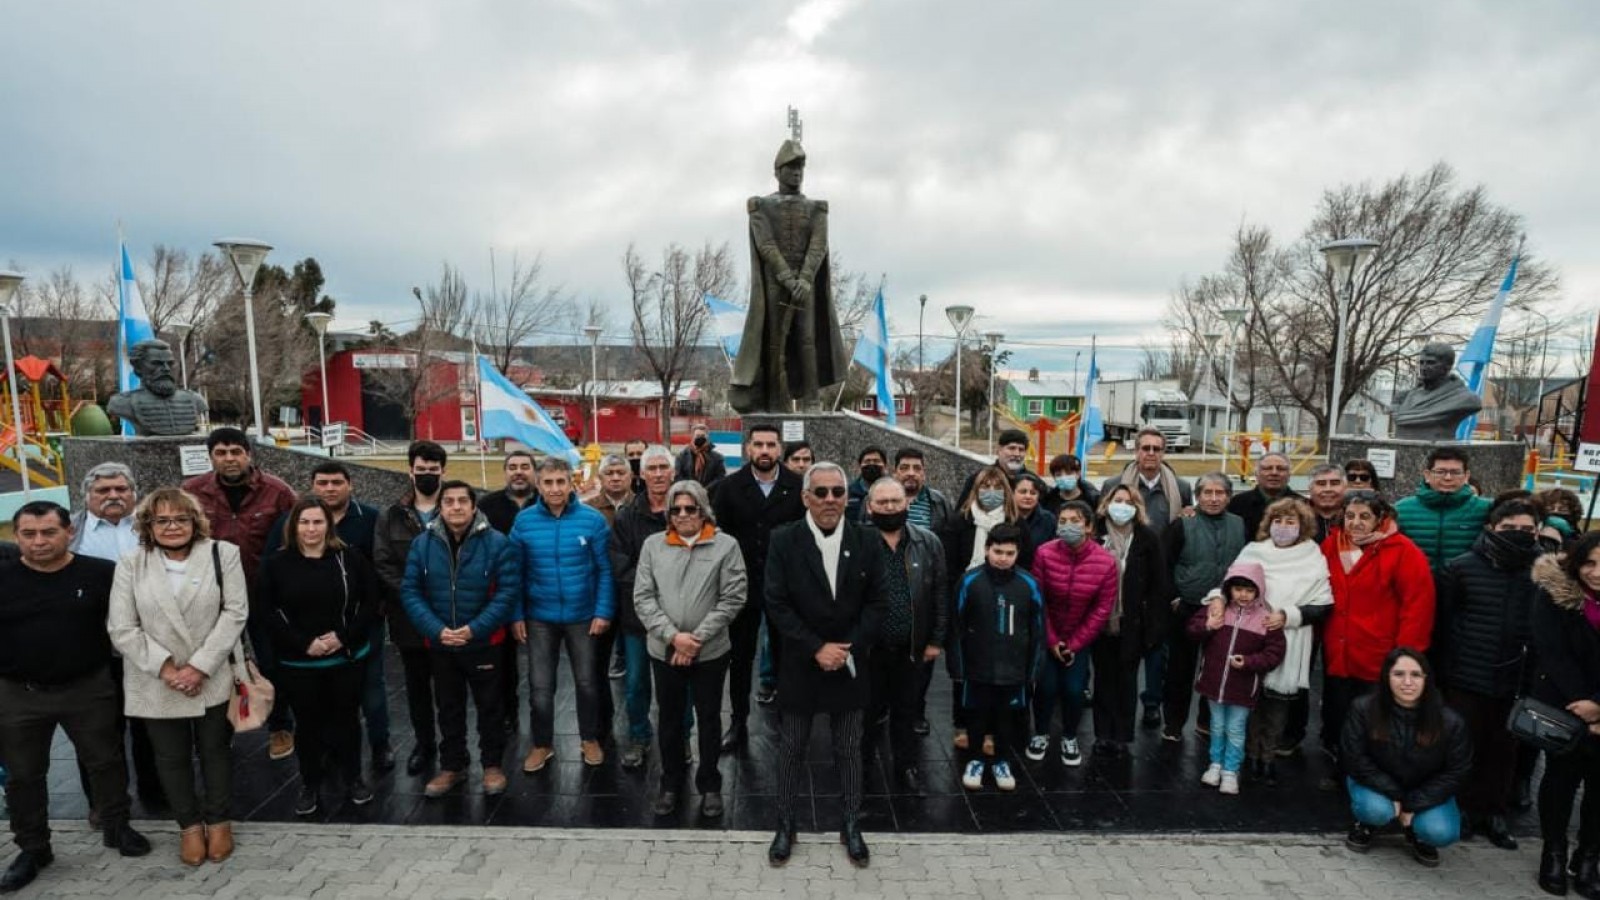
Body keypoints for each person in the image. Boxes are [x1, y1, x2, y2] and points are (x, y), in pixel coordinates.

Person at [1, 502, 151, 893]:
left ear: (69, 532)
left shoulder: (102, 573)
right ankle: (33, 848)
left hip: (88, 687)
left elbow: (130, 623)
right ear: (16, 536)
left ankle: (117, 827)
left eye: (48, 532)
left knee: (106, 762)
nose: (38, 541)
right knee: (23, 776)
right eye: (28, 534)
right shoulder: (3, 577)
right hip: (19, 694)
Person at [110, 487, 248, 863]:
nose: (172, 526)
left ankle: (219, 822)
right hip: (156, 677)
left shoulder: (223, 553)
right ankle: (188, 825)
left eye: (180, 518)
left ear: (195, 521)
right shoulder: (131, 563)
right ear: (148, 525)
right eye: (162, 520)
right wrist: (168, 670)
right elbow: (122, 627)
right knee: (170, 757)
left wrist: (199, 666)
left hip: (211, 672)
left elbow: (235, 612)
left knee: (215, 752)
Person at [764, 462, 885, 868]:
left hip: (849, 663)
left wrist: (847, 648)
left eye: (838, 492)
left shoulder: (867, 539)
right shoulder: (784, 540)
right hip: (802, 662)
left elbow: (877, 602)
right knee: (792, 748)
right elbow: (776, 603)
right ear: (805, 497)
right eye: (821, 492)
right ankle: (786, 823)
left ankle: (851, 823)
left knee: (849, 748)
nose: (830, 499)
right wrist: (816, 647)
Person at [263, 461, 393, 774]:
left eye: (337, 482)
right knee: (314, 707)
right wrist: (301, 640)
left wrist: (351, 630)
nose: (330, 488)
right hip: (303, 640)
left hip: (357, 629)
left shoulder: (371, 519)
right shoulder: (285, 527)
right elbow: (269, 592)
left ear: (350, 484)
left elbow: (379, 569)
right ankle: (325, 757)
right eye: (322, 483)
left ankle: (379, 746)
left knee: (370, 691)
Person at [257, 496, 381, 816]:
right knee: (308, 724)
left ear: (329, 525)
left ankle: (353, 778)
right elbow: (267, 612)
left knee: (347, 721)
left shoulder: (349, 558)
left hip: (345, 658)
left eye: (317, 522)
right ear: (293, 526)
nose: (311, 529)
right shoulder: (275, 564)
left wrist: (342, 637)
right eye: (304, 522)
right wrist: (304, 644)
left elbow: (370, 603)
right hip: (299, 662)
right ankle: (310, 782)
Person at [632, 480, 747, 817]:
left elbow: (733, 597)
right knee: (669, 719)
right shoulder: (653, 546)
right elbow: (643, 597)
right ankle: (670, 783)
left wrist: (695, 639)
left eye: (690, 508)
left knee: (709, 718)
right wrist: (674, 638)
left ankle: (709, 785)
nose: (683, 514)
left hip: (710, 652)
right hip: (664, 650)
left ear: (703, 511)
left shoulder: (726, 546)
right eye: (676, 509)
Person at [182, 426, 298, 760]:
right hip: (211, 597)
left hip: (263, 596)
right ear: (211, 457)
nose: (229, 459)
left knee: (272, 663)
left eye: (236, 452)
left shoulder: (277, 492)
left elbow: (294, 540)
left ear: (248, 454)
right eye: (221, 453)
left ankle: (280, 726)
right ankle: (219, 730)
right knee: (214, 664)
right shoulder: (192, 492)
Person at [1432, 498, 1541, 850]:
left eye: (1526, 529)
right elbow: (1443, 625)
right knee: (1465, 745)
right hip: (1466, 676)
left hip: (1516, 679)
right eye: (1509, 528)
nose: (1518, 534)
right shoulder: (1461, 568)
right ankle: (1462, 808)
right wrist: (1443, 674)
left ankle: (1494, 812)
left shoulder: (1544, 573)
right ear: (1492, 528)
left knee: (1505, 749)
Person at [400, 481, 519, 799]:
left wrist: (475, 629)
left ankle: (492, 765)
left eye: (462, 501)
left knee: (490, 708)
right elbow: (410, 591)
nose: (455, 507)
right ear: (440, 507)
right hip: (441, 643)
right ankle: (453, 765)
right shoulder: (422, 544)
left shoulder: (497, 543)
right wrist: (435, 629)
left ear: (473, 506)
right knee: (448, 707)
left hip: (483, 641)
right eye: (448, 501)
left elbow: (507, 593)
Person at [1209, 498, 1332, 784]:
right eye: (1278, 521)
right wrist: (1217, 599)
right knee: (1249, 699)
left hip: (1290, 636)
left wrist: (1288, 615)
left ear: (1302, 526)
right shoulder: (1254, 551)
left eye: (1290, 522)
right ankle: (1249, 754)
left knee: (1277, 705)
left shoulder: (1312, 555)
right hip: (1250, 635)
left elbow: (1323, 604)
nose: (1283, 527)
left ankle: (1268, 757)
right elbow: (1230, 583)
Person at [67, 462, 164, 814]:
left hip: (149, 646)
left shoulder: (155, 526)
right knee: (97, 733)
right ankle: (105, 805)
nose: (113, 496)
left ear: (134, 493)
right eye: (103, 490)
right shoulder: (70, 531)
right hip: (94, 649)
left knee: (151, 729)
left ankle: (157, 796)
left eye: (121, 489)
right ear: (87, 496)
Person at [1320, 492, 1435, 787]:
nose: (1356, 523)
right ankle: (1342, 769)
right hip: (1339, 651)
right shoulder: (1331, 545)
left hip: (1379, 653)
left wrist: (1407, 655)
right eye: (1350, 516)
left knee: (1375, 720)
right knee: (1339, 715)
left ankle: (1371, 777)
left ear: (1380, 518)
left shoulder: (1402, 550)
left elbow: (1417, 605)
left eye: (1364, 516)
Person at [728, 138, 848, 413]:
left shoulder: (817, 209)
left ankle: (811, 401)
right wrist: (787, 278)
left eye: (800, 168)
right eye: (791, 167)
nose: (797, 173)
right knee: (774, 343)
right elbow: (766, 244)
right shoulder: (761, 206)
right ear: (777, 171)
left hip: (805, 283)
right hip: (775, 283)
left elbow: (818, 245)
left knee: (807, 340)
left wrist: (804, 279)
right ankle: (776, 401)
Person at [511, 456, 615, 770]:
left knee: (587, 682)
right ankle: (542, 744)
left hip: (583, 616)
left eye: (561, 481)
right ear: (538, 485)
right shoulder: (524, 522)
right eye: (548, 482)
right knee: (540, 686)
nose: (555, 488)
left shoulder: (592, 520)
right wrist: (516, 615)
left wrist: (603, 611)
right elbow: (514, 573)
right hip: (539, 617)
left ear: (571, 483)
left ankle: (589, 738)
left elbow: (605, 570)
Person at [712, 425, 805, 747]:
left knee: (786, 656)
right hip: (742, 586)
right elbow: (718, 536)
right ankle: (738, 722)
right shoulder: (729, 487)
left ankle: (788, 720)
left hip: (786, 587)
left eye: (770, 444)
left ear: (779, 449)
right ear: (748, 448)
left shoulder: (798, 486)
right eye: (758, 444)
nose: (764, 451)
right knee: (741, 658)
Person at [1341, 648, 1471, 868]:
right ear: (1386, 677)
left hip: (1425, 789)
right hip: (1375, 784)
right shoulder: (1363, 708)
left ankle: (1419, 833)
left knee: (1441, 832)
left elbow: (1457, 771)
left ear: (1427, 679)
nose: (1408, 682)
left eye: (1416, 675)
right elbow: (1353, 757)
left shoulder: (1450, 722)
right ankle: (1367, 824)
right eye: (1399, 674)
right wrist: (1396, 795)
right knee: (1376, 810)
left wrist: (1411, 804)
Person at [862, 477, 948, 792]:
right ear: (869, 507)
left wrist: (936, 639)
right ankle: (862, 770)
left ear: (907, 503)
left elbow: (940, 593)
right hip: (868, 649)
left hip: (912, 647)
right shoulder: (855, 542)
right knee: (865, 714)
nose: (889, 507)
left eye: (895, 501)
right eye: (882, 502)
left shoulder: (929, 542)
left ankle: (906, 767)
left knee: (906, 712)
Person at [1529, 531, 1600, 896]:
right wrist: (1585, 707)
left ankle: (1589, 856)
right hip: (1565, 705)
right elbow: (1552, 653)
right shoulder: (1554, 594)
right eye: (1590, 563)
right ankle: (1553, 851)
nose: (1597, 573)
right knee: (1560, 781)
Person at [373, 440, 449, 776]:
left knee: (449, 687)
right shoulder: (391, 515)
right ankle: (424, 744)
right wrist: (414, 594)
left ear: (443, 471)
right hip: (409, 616)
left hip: (449, 614)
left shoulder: (457, 506)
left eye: (433, 470)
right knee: (417, 687)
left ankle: (453, 746)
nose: (427, 475)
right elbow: (383, 562)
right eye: (421, 470)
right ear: (410, 471)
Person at [1026, 500, 1117, 768]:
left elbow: (1102, 609)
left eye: (1075, 521)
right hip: (1048, 634)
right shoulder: (1044, 553)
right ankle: (1041, 733)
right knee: (1045, 687)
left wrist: (1074, 644)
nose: (1068, 526)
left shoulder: (1105, 562)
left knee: (1075, 690)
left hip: (1079, 637)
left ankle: (1069, 736)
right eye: (1063, 521)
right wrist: (1052, 640)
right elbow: (1037, 599)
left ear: (1089, 526)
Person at [952, 524, 1042, 793]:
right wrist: (957, 666)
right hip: (978, 666)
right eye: (998, 551)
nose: (1003, 558)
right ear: (986, 549)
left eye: (1009, 553)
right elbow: (956, 627)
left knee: (1007, 718)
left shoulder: (1029, 584)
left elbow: (1038, 628)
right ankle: (975, 761)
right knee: (977, 715)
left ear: (1018, 553)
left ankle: (1002, 761)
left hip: (1014, 668)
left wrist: (1033, 670)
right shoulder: (969, 581)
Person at [1159, 472, 1248, 741]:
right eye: (1207, 492)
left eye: (1220, 493)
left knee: (1216, 667)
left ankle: (1206, 721)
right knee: (1180, 669)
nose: (1213, 498)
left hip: (1225, 607)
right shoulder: (1183, 524)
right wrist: (1173, 597)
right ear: (1197, 496)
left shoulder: (1239, 524)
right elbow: (1164, 563)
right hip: (1187, 605)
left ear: (1229, 497)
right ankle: (1173, 723)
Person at [945, 465, 1028, 752]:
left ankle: (993, 730)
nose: (991, 492)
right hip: (968, 600)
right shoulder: (959, 521)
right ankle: (964, 724)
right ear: (975, 491)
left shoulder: (1016, 523)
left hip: (1005, 600)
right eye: (985, 487)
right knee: (966, 667)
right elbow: (949, 565)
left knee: (998, 670)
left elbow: (1024, 563)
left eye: (997, 487)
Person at [1187, 562, 1286, 795]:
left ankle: (1231, 770)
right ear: (1228, 589)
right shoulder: (1217, 610)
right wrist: (1208, 625)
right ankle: (1215, 764)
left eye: (1249, 590)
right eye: (1238, 589)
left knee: (1235, 728)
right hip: (1213, 683)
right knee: (1217, 725)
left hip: (1243, 688)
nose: (1243, 595)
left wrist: (1249, 662)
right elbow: (1192, 630)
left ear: (1259, 591)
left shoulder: (1265, 619)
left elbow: (1274, 653)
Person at [608, 444, 676, 768]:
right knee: (636, 684)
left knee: (678, 686)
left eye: (664, 467)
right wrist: (659, 584)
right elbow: (620, 565)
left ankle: (679, 738)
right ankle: (639, 736)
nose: (659, 474)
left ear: (673, 472)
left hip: (679, 618)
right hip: (638, 618)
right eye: (653, 468)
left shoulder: (688, 510)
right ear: (642, 474)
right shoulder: (627, 517)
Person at [1092, 485, 1171, 756]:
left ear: (1137, 508)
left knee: (1126, 680)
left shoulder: (1148, 537)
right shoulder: (1095, 534)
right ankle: (1102, 733)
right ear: (1107, 503)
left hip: (1133, 623)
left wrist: (1154, 627)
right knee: (1103, 680)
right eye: (1118, 500)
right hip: (1100, 622)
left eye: (1129, 502)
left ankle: (1122, 735)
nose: (1122, 506)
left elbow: (1159, 584)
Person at [478, 450, 538, 728]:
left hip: (539, 592)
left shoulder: (546, 502)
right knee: (503, 661)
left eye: (525, 466)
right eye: (512, 467)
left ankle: (541, 717)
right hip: (499, 594)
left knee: (542, 663)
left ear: (534, 471)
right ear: (505, 472)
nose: (519, 472)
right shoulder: (487, 506)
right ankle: (508, 714)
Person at [1395, 447, 1492, 572]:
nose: (1448, 478)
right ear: (1427, 475)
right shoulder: (1402, 509)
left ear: (1466, 476)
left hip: (1466, 581)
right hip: (1417, 580)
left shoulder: (1485, 508)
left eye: (1455, 472)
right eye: (1440, 472)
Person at [1099, 426, 1194, 532]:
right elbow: (1101, 526)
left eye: (1156, 449)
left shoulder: (1182, 488)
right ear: (1136, 451)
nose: (1151, 453)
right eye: (1146, 448)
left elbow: (1188, 527)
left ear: (1163, 453)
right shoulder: (1113, 486)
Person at [104, 338, 207, 435]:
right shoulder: (121, 402)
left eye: (170, 363)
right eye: (156, 363)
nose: (166, 368)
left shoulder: (196, 400)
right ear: (138, 367)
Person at [1389, 341, 1484, 440]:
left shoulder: (1466, 398)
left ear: (1447, 366)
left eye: (1431, 363)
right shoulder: (1406, 397)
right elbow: (1397, 415)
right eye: (1421, 362)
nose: (1424, 368)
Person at [1227, 452, 1300, 538]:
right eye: (1267, 468)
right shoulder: (1237, 504)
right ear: (1256, 474)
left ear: (1289, 474)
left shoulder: (1303, 505)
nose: (1274, 473)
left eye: (1281, 469)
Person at [895, 447, 954, 536]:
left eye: (917, 468)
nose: (911, 473)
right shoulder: (881, 499)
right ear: (895, 472)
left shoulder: (939, 502)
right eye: (904, 468)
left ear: (924, 474)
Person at [586, 454, 635, 527]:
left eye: (621, 473)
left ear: (631, 476)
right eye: (609, 473)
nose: (615, 478)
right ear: (600, 478)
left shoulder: (642, 505)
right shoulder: (588, 508)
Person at [674, 422, 727, 488]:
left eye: (702, 436)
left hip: (710, 492)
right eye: (698, 436)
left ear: (707, 437)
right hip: (688, 492)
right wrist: (691, 489)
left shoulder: (718, 458)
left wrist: (706, 489)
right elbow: (678, 477)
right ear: (692, 437)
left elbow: (720, 478)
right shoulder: (681, 457)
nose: (700, 438)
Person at [1012, 473, 1056, 552]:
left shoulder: (1049, 520)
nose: (1028, 496)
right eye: (1023, 492)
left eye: (1033, 493)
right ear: (1012, 493)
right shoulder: (1003, 516)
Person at [1306, 464, 1348, 543]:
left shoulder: (1357, 517)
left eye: (1334, 483)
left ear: (1345, 487)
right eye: (1321, 484)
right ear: (1310, 489)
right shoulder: (1297, 518)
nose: (1328, 489)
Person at [846, 446, 888, 523]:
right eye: (867, 461)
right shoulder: (847, 493)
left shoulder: (893, 493)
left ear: (885, 466)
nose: (871, 464)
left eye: (876, 461)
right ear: (859, 466)